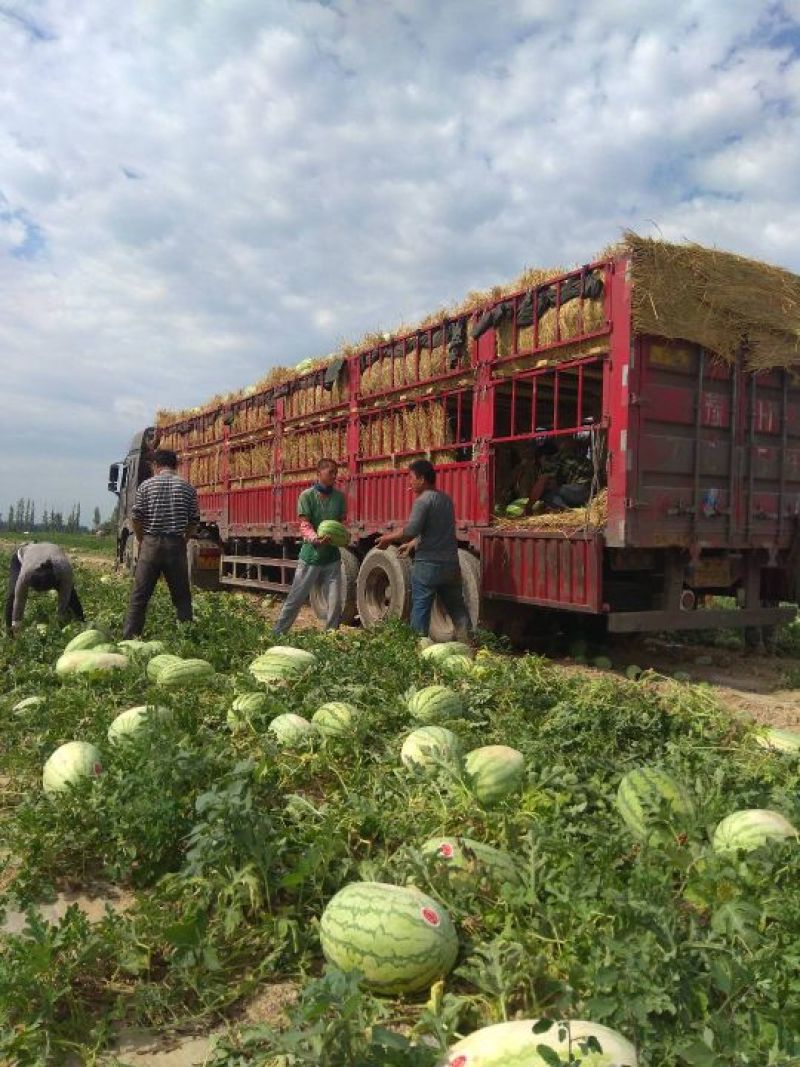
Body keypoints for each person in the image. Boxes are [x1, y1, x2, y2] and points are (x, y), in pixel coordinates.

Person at [377, 458, 472, 642]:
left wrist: (387, 539)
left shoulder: (422, 501)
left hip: (429, 565)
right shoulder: (446, 500)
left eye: (411, 477)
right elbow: (436, 530)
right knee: (457, 607)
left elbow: (411, 530)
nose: (409, 482)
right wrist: (412, 544)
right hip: (451, 564)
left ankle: (418, 648)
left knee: (421, 606)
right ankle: (468, 642)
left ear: (422, 479)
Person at [122, 448, 200, 638]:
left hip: (150, 544)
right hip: (176, 545)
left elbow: (136, 518)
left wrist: (142, 539)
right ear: (176, 465)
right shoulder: (188, 488)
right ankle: (186, 638)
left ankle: (130, 637)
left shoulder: (146, 486)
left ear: (156, 465)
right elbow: (194, 521)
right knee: (182, 597)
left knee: (140, 596)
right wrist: (184, 539)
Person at [273, 458, 347, 634]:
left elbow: (339, 525)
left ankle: (332, 636)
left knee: (335, 601)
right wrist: (315, 538)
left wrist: (342, 537)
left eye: (336, 473)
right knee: (296, 598)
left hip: (332, 557)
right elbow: (304, 525)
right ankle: (278, 633)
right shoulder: (306, 496)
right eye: (331, 472)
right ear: (319, 473)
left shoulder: (339, 498)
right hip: (311, 556)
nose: (334, 476)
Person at [5, 542, 85, 635]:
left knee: (71, 595)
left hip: (53, 557)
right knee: (13, 594)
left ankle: (82, 624)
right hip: (21, 558)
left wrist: (60, 617)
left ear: (55, 581)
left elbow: (65, 596)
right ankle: (10, 632)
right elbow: (19, 599)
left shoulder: (65, 571)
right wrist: (16, 622)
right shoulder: (26, 574)